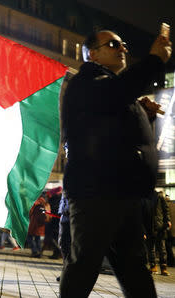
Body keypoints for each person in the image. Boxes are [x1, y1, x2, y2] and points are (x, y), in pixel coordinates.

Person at [59, 30, 171, 297]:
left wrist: (144, 116)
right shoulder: (87, 80)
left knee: (134, 269)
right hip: (95, 192)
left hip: (121, 192)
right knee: (85, 265)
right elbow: (115, 94)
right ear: (92, 54)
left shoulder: (111, 85)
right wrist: (154, 60)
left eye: (124, 43)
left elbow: (119, 131)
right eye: (113, 44)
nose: (122, 48)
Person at [146, 190, 172, 275]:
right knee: (151, 248)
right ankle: (153, 266)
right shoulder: (144, 197)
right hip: (149, 226)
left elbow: (166, 209)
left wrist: (168, 220)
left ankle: (163, 267)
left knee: (161, 247)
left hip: (159, 225)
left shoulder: (159, 196)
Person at [27, 194, 50, 258]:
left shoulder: (35, 202)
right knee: (38, 238)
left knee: (29, 237)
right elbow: (45, 213)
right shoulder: (44, 202)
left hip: (34, 222)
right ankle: (39, 252)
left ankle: (35, 251)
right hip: (41, 224)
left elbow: (30, 211)